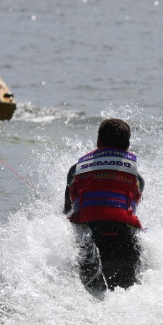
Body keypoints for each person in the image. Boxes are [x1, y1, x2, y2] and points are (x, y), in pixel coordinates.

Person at [63, 119, 145, 295]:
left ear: (98, 142)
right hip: (123, 239)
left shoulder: (76, 170)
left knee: (91, 295)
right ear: (127, 145)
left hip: (89, 241)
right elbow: (134, 203)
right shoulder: (135, 175)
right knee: (129, 293)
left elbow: (67, 211)